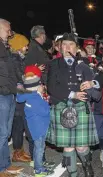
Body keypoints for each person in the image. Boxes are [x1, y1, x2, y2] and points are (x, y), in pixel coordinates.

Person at [45, 33, 101, 177]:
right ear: (59, 47)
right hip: (62, 106)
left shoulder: (86, 62)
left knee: (82, 146)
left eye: (71, 44)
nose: (67, 47)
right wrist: (72, 94)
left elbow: (101, 77)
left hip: (81, 107)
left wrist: (93, 83)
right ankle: (73, 173)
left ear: (76, 48)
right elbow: (51, 87)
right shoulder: (53, 64)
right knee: (68, 146)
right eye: (64, 44)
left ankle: (87, 164)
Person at [17, 65, 54, 177]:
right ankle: (38, 170)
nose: (42, 85)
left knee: (38, 148)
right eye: (40, 84)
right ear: (36, 87)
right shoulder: (35, 99)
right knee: (40, 149)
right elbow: (44, 112)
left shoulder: (29, 96)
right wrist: (49, 106)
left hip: (35, 128)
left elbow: (19, 96)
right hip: (39, 129)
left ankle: (38, 164)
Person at [0, 18, 25, 177]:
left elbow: (10, 69)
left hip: (9, 93)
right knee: (2, 132)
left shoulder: (5, 46)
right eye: (8, 30)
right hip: (1, 94)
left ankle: (5, 165)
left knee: (6, 132)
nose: (10, 33)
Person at [8, 33, 32, 163]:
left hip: (18, 96)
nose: (26, 48)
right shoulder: (15, 59)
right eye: (25, 45)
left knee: (19, 124)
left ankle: (19, 151)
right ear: (18, 46)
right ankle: (17, 153)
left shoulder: (18, 58)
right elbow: (20, 79)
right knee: (18, 125)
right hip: (17, 97)